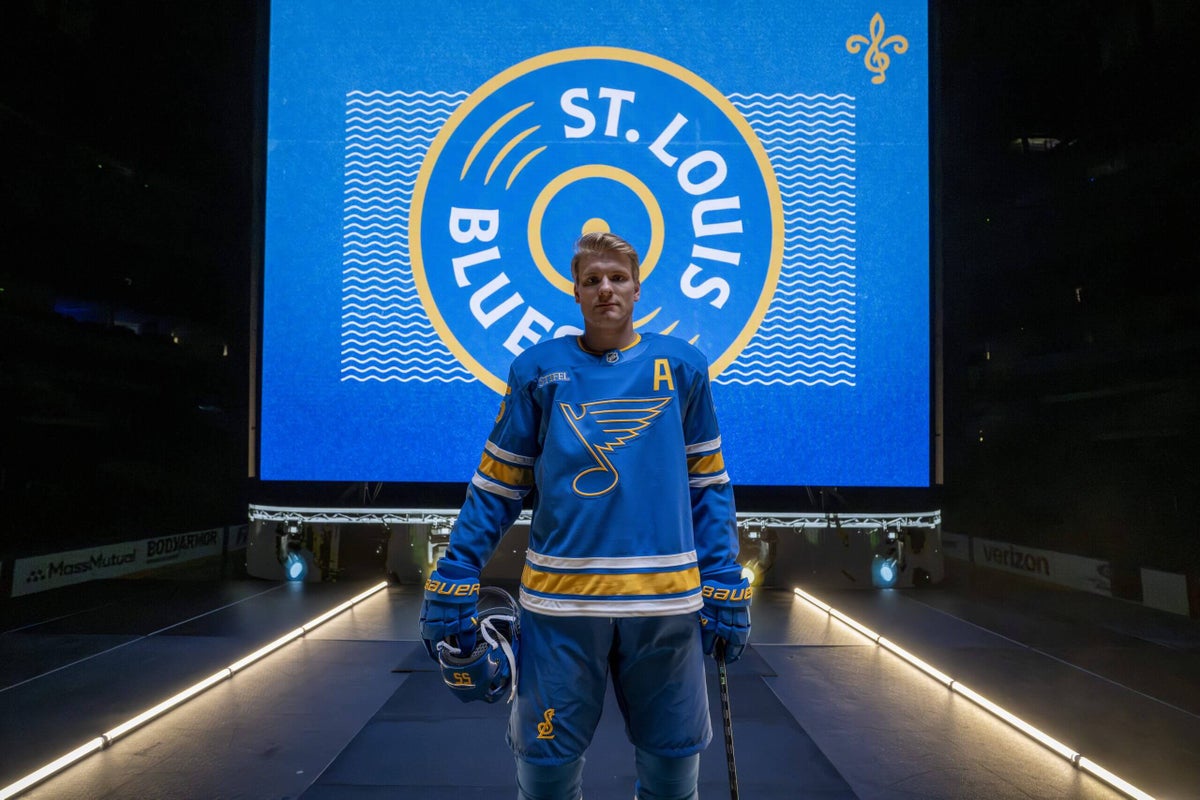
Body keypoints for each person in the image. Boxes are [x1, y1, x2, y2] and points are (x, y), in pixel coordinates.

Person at [420, 231, 751, 800]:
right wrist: (457, 569)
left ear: (638, 288)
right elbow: (498, 485)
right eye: (592, 280)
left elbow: (708, 484)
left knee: (673, 780)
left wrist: (722, 573)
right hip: (561, 607)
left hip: (666, 605)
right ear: (575, 291)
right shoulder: (536, 370)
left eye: (618, 278)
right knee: (545, 779)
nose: (605, 289)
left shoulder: (684, 367)